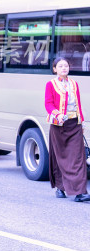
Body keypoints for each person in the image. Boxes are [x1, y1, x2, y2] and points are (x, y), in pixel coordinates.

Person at [45, 57, 90, 202]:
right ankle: (60, 188)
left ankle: (80, 192)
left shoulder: (74, 84)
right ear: (55, 69)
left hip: (74, 124)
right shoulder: (50, 85)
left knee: (78, 158)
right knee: (60, 156)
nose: (64, 68)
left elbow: (78, 105)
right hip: (59, 125)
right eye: (60, 66)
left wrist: (81, 123)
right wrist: (58, 114)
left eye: (66, 65)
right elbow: (48, 104)